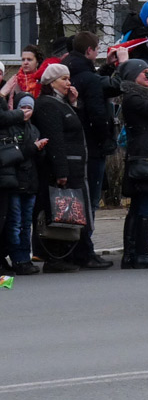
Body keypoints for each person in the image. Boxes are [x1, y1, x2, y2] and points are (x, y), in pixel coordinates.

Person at [32, 63, 111, 271]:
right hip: (64, 169)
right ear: (51, 82)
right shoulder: (48, 105)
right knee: (60, 214)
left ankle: (76, 253)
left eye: (69, 78)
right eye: (64, 79)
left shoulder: (63, 104)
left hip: (75, 168)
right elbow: (55, 140)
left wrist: (75, 104)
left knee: (73, 214)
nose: (69, 83)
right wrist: (61, 171)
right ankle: (56, 258)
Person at [116, 59, 148, 269]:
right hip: (144, 157)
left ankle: (132, 253)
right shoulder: (134, 97)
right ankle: (140, 253)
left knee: (139, 206)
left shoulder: (140, 97)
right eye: (144, 72)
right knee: (144, 206)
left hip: (143, 155)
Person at [63, 32, 121, 216]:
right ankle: (86, 240)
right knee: (90, 201)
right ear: (89, 50)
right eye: (96, 50)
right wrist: (106, 138)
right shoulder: (88, 77)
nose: (97, 54)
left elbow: (93, 81)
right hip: (93, 148)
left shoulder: (68, 70)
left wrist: (107, 67)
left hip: (73, 144)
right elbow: (98, 113)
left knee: (75, 200)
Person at [0, 94, 39, 272]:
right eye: (22, 107)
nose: (26, 111)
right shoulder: (10, 129)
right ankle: (16, 257)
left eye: (29, 108)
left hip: (30, 183)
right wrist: (33, 148)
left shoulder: (34, 129)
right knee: (14, 222)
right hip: (16, 182)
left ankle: (25, 257)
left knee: (26, 222)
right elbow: (14, 155)